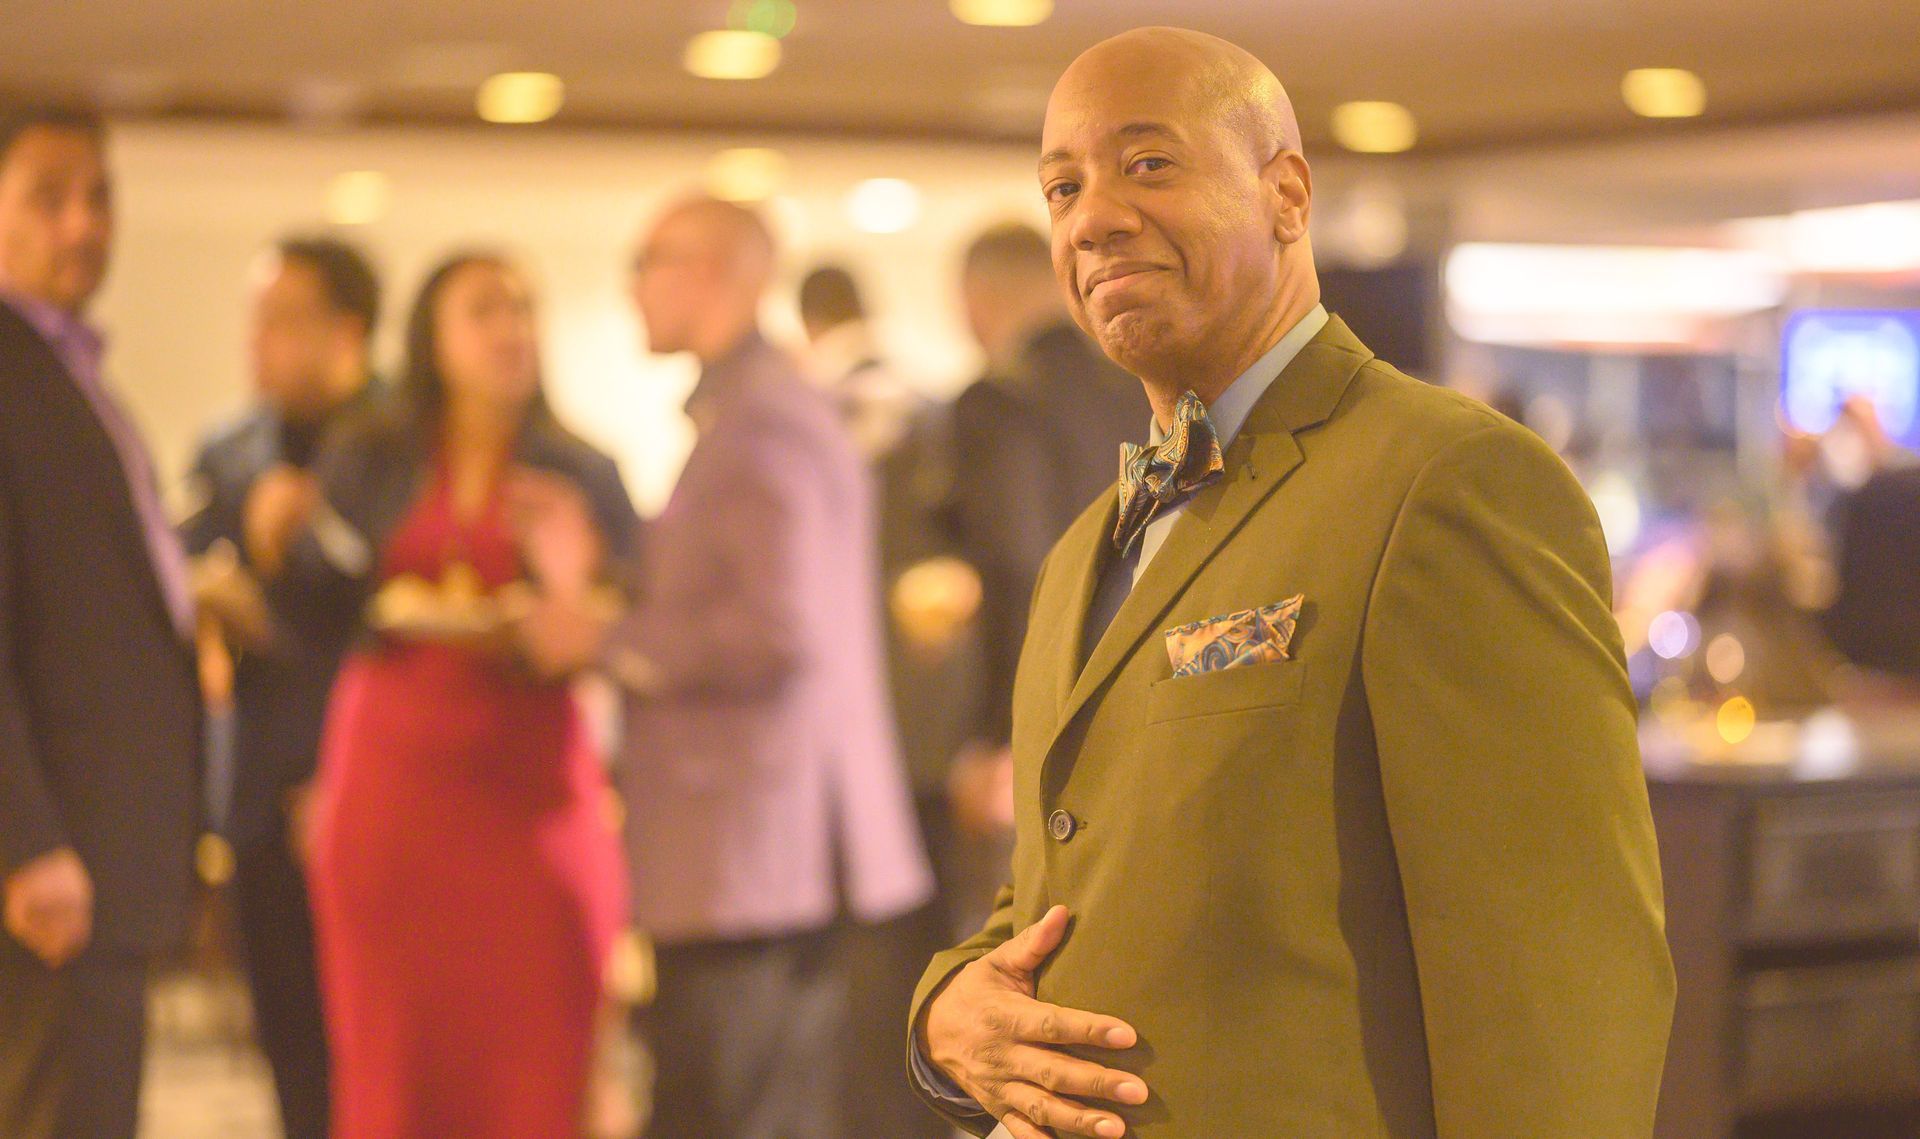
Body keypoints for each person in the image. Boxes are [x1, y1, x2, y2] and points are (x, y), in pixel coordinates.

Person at [909, 28, 1675, 1139]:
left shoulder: (1447, 479)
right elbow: (1060, 881)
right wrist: (948, 1009)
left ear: (1286, 192)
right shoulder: (1084, 549)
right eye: (1062, 185)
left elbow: (1562, 976)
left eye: (1148, 163)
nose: (1094, 216)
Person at [522, 197, 933, 1138]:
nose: (632, 286)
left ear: (712, 272)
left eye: (649, 260)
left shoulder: (763, 423)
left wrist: (599, 637)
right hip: (751, 852)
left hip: (752, 854)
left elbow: (771, 629)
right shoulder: (756, 412)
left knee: (731, 1112)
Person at [282, 253, 632, 1138]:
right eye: (483, 310)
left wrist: (570, 584)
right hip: (393, 786)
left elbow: (624, 623)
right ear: (432, 340)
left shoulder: (583, 468)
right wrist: (285, 539)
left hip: (534, 788)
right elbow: (322, 610)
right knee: (393, 1051)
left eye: (521, 307)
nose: (510, 327)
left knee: (539, 1050)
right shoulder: (370, 451)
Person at [0, 107, 202, 1138]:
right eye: (48, 196)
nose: (82, 223)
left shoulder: (69, 372)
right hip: (51, 853)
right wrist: (25, 840)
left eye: (99, 195)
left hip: (101, 840)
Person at [178, 235, 383, 1139]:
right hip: (262, 785)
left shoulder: (393, 441)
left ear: (348, 331)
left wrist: (311, 535)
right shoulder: (232, 450)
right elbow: (185, 563)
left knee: (374, 1038)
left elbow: (391, 596)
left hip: (370, 778)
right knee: (290, 1037)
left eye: (282, 320)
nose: (259, 341)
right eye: (256, 320)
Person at [943, 223, 1149, 934]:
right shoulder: (1138, 387)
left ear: (978, 295)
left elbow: (1018, 564)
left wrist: (998, 734)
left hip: (1044, 711)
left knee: (1020, 937)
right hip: (1145, 703)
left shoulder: (996, 401)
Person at [799, 263, 966, 1139]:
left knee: (849, 968)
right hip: (931, 728)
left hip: (830, 735)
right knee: (924, 945)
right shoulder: (931, 406)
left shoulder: (805, 413)